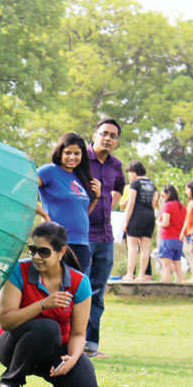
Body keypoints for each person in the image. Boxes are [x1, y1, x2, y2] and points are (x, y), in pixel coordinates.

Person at [0, 222, 98, 387]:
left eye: (43, 251)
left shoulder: (79, 282)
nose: (36, 256)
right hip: (13, 346)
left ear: (61, 252)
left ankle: (50, 373)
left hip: (55, 349)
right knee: (48, 328)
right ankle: (11, 381)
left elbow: (78, 334)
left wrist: (71, 360)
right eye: (32, 249)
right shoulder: (19, 271)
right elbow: (6, 321)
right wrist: (42, 304)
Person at [85, 119, 125, 358]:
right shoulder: (80, 158)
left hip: (106, 235)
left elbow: (120, 185)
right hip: (82, 234)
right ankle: (70, 341)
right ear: (95, 134)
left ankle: (91, 345)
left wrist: (110, 203)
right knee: (79, 287)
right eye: (104, 134)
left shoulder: (116, 165)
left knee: (98, 291)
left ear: (117, 141)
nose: (108, 138)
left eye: (113, 136)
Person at [37, 132, 101, 271]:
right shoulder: (49, 171)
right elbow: (22, 189)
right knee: (55, 288)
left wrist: (96, 197)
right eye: (68, 153)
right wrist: (44, 214)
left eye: (77, 153)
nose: (72, 157)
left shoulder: (80, 176)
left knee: (77, 289)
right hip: (56, 242)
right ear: (60, 152)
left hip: (81, 243)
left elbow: (83, 212)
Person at [122, 160, 158, 281]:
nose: (129, 176)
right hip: (150, 216)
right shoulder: (152, 184)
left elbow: (131, 203)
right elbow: (154, 203)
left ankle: (130, 274)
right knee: (146, 247)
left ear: (134, 172)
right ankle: (142, 275)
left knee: (132, 246)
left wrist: (125, 222)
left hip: (137, 216)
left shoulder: (135, 183)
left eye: (129, 173)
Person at [158, 185, 186, 283]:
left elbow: (165, 223)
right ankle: (180, 285)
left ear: (168, 194)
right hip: (178, 239)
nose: (162, 197)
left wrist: (158, 222)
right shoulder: (182, 206)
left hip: (167, 237)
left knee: (166, 265)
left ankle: (165, 287)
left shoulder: (168, 205)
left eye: (162, 195)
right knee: (177, 264)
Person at [179, 181, 193, 281]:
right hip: (188, 232)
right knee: (189, 254)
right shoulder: (190, 203)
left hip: (192, 232)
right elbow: (187, 219)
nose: (186, 191)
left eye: (187, 189)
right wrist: (183, 232)